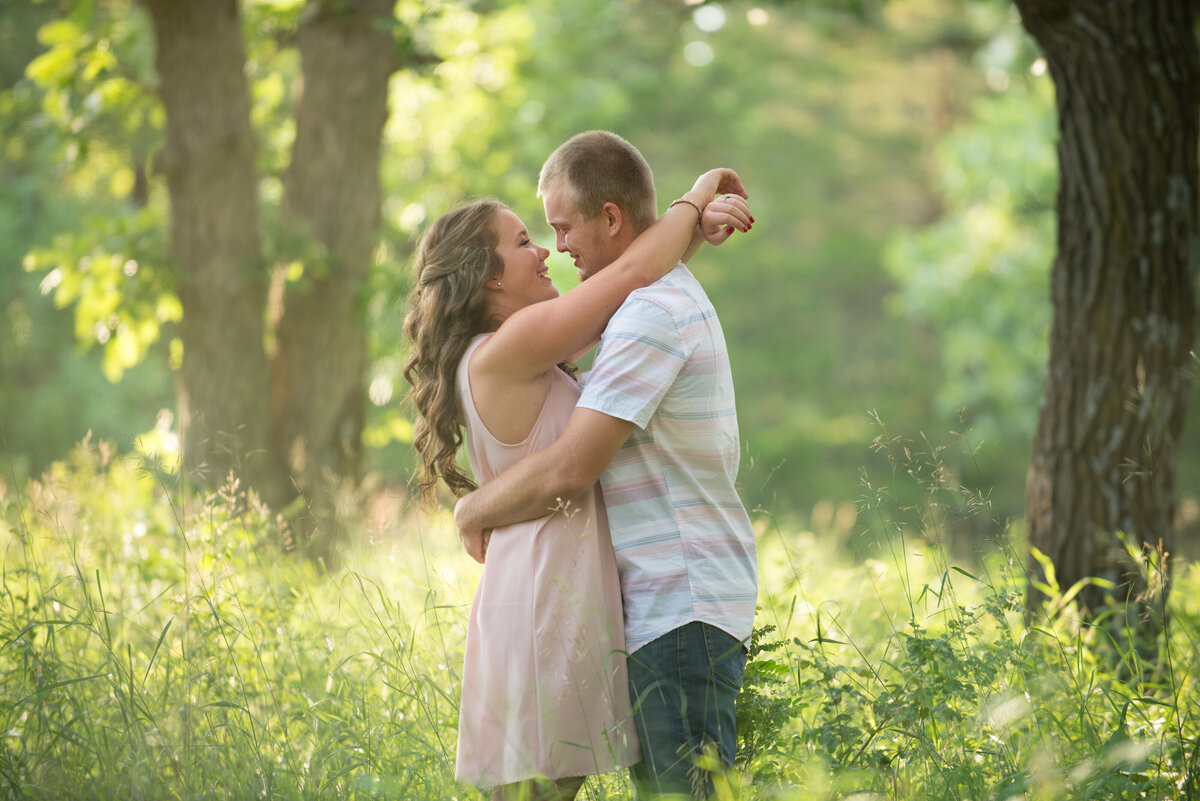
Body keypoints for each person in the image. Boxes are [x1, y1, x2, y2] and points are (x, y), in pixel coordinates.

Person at [403, 163, 751, 801]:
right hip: (544, 592)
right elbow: (629, 276)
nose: (544, 251)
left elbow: (631, 281)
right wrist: (694, 198)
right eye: (522, 242)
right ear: (486, 276)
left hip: (550, 585)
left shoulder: (517, 349)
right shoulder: (513, 344)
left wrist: (692, 231)